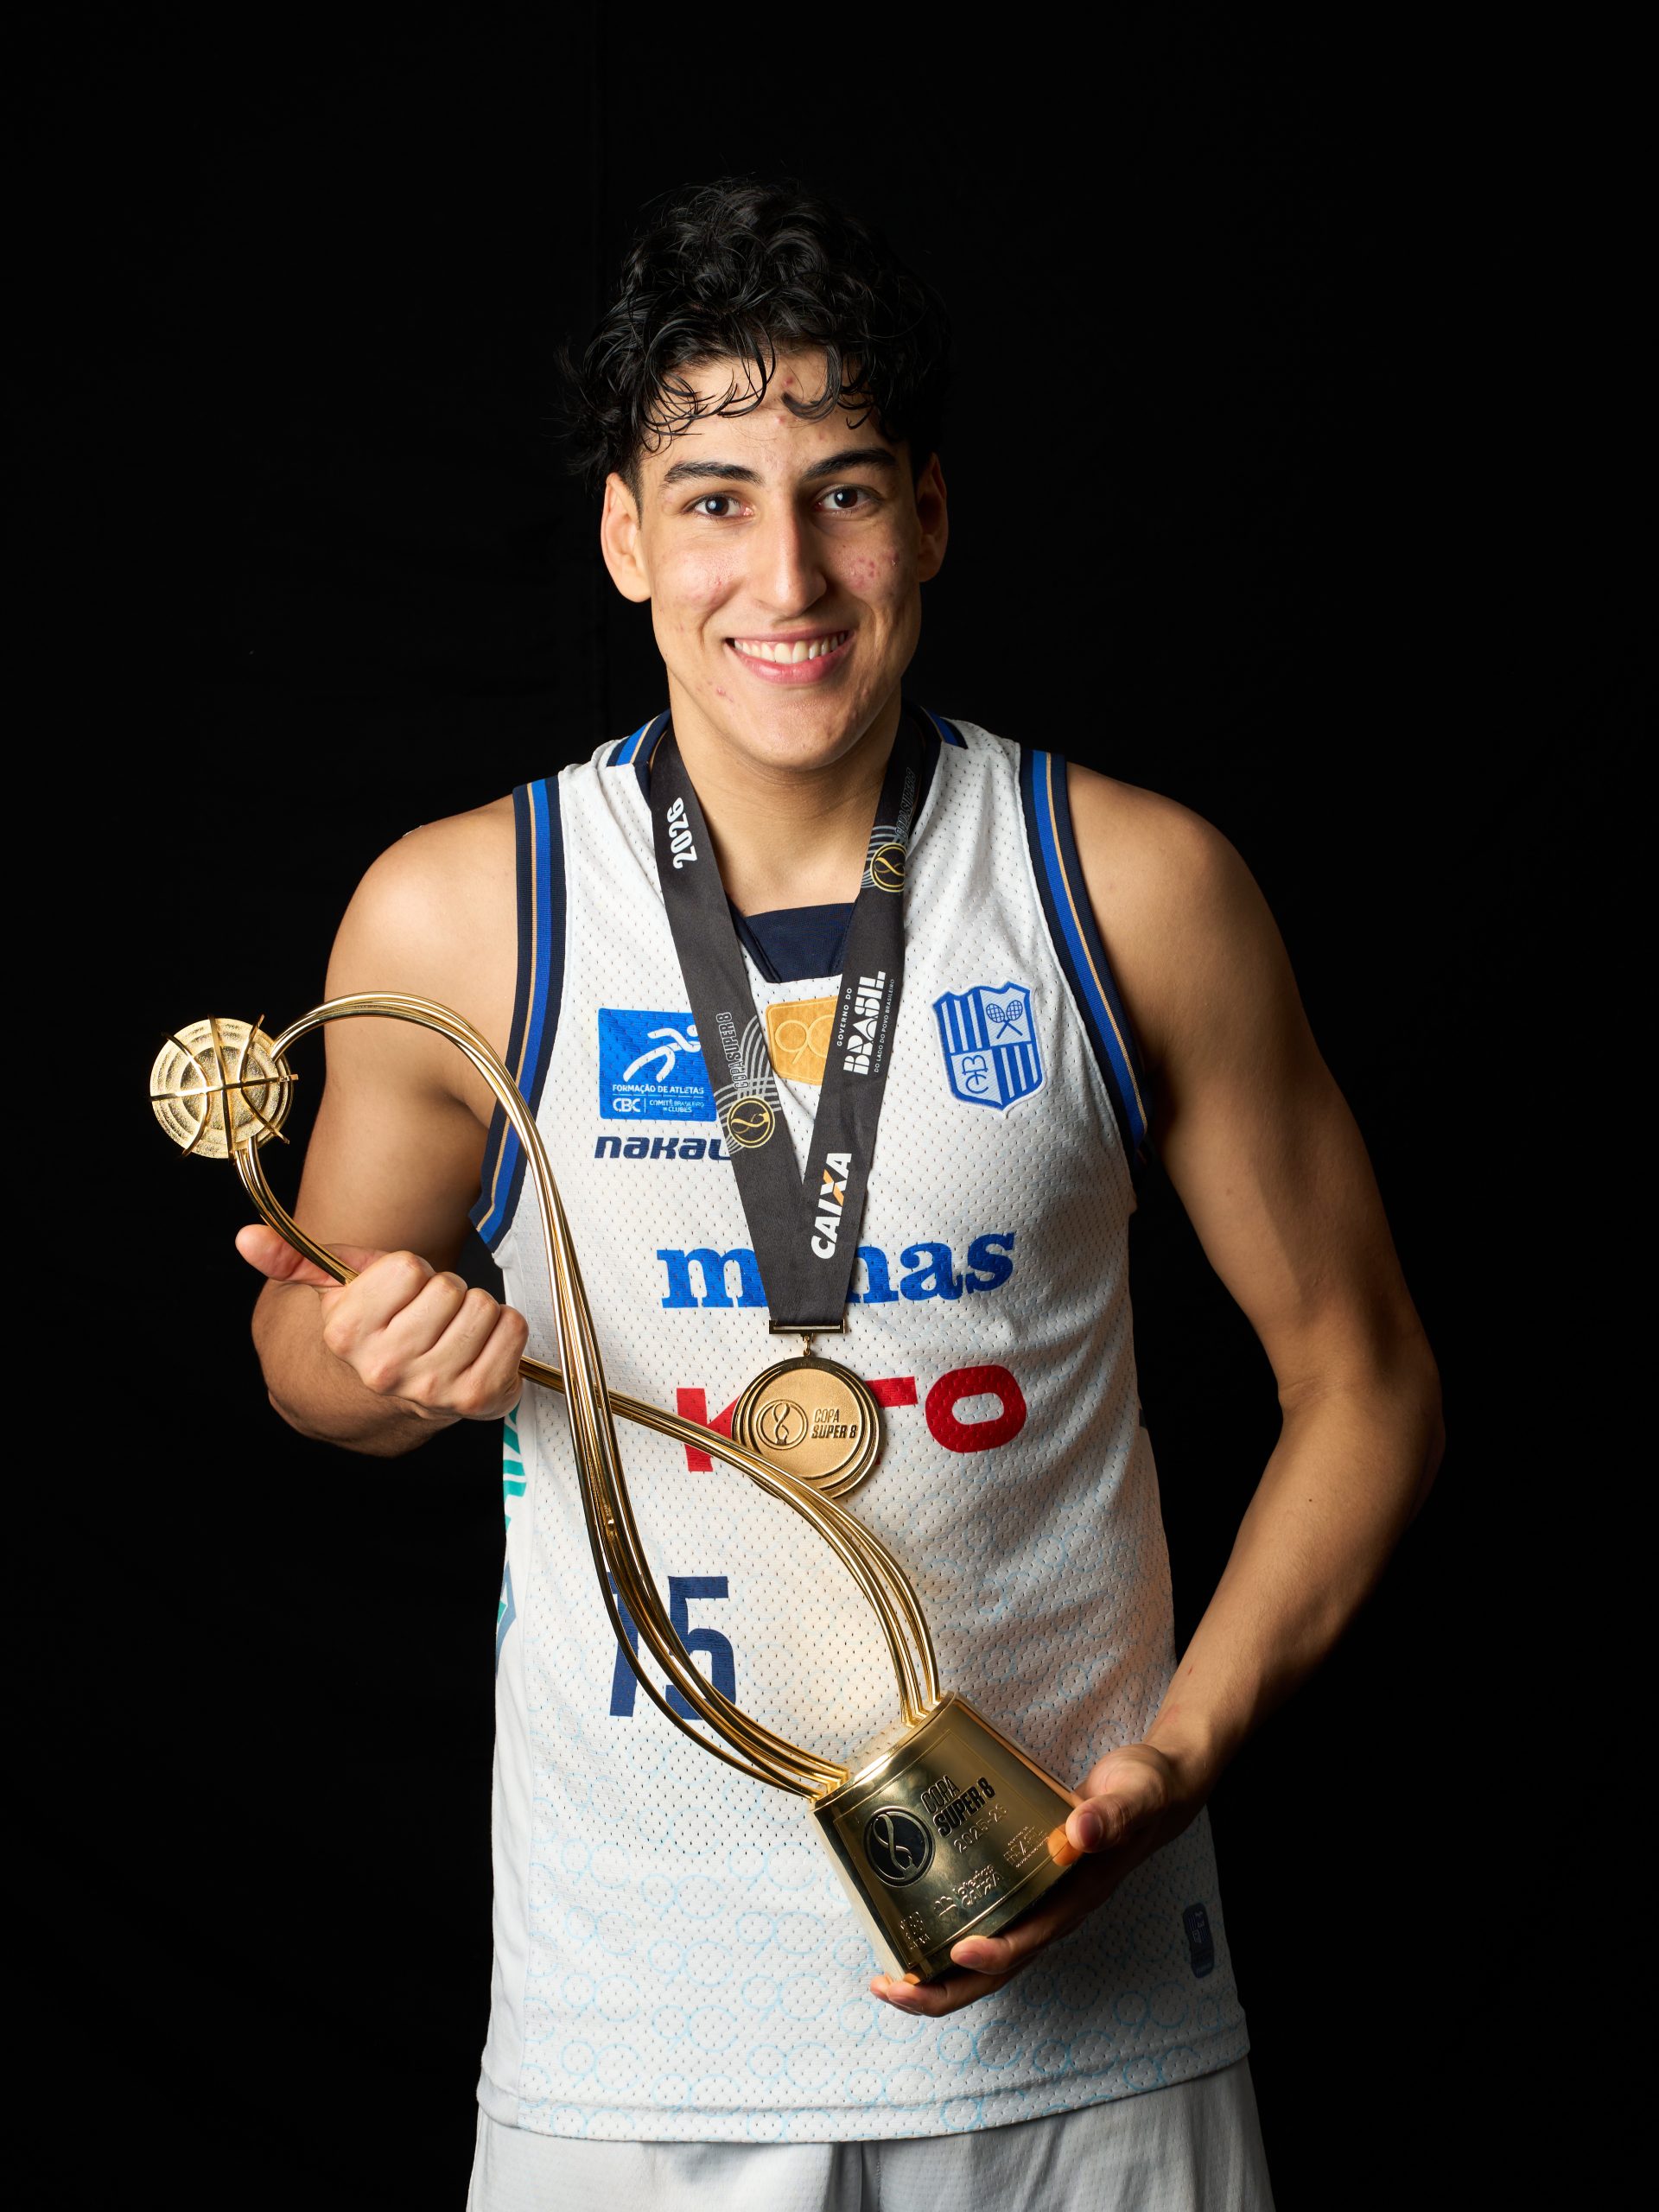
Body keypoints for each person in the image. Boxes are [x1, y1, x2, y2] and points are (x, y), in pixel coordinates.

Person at [238, 177, 1442, 2210]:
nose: (784, 573)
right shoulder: (467, 913)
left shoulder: (1131, 886)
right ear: (626, 536)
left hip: (1093, 2019)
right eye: (713, 499)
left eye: (846, 493)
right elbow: (305, 1356)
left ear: (931, 515)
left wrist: (1180, 1762)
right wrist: (374, 1351)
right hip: (637, 2037)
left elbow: (1369, 1378)